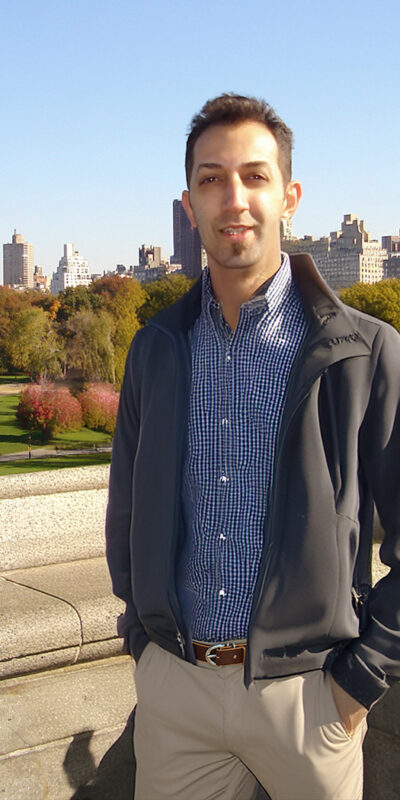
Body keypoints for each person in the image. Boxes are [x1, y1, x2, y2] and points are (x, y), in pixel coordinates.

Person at [106, 93, 400, 800]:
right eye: (211, 179)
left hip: (308, 700)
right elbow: (126, 516)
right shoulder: (155, 350)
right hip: (177, 695)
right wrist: (143, 644)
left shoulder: (363, 351)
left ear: (288, 197)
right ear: (189, 203)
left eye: (254, 176)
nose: (232, 198)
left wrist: (362, 678)